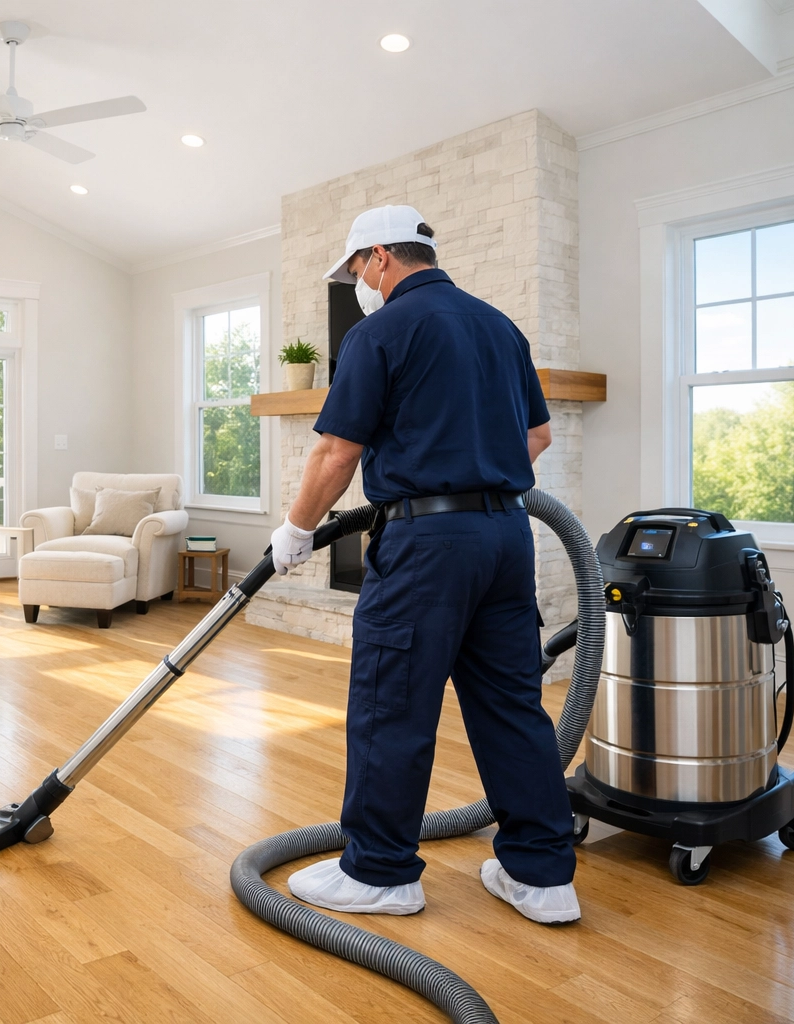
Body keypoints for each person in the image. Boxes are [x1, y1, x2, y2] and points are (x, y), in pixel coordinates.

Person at [272, 205, 579, 924]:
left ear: (378, 258)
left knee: (391, 701)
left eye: (355, 272)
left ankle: (380, 872)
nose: (358, 286)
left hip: (425, 547)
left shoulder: (379, 332)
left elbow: (336, 451)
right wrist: (476, 477)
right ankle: (541, 877)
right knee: (511, 705)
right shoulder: (500, 327)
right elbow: (537, 435)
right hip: (506, 537)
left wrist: (294, 530)